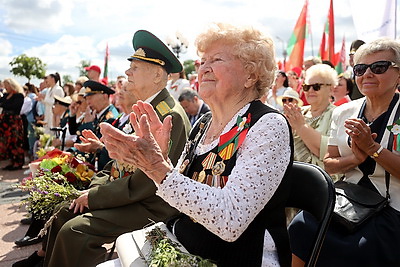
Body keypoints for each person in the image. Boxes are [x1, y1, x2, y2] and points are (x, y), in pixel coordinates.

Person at [101, 23, 293, 267]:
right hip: (185, 246)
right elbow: (178, 191)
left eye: (216, 59)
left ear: (251, 75)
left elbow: (230, 220)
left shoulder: (268, 125)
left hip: (240, 258)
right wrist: (159, 162)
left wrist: (157, 167)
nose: (204, 68)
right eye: (202, 61)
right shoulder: (203, 123)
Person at [13, 29, 191, 267]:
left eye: (135, 67)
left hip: (152, 204)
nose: (127, 71)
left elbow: (148, 181)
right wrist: (95, 187)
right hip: (131, 195)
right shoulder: (146, 108)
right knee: (64, 211)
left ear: (158, 75)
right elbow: (120, 162)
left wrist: (95, 196)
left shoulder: (168, 115)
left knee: (75, 231)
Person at [289, 38, 400, 267]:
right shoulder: (344, 113)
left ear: (398, 74)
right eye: (360, 68)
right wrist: (355, 158)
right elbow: (329, 163)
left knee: (362, 248)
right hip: (348, 201)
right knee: (300, 226)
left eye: (379, 67)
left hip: (392, 208)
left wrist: (373, 149)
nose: (367, 74)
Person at [284, 63, 337, 171]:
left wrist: (301, 127)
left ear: (331, 89)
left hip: (320, 180)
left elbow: (328, 151)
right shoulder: (299, 112)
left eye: (316, 87)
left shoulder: (338, 114)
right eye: (306, 87)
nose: (310, 91)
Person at [68, 80, 119, 171]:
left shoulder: (110, 117)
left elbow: (96, 144)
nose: (88, 102)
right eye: (86, 98)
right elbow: (75, 131)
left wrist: (88, 124)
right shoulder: (94, 114)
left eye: (91, 97)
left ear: (104, 96)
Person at [0, 78, 25, 170]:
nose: (5, 87)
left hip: (14, 121)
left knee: (15, 142)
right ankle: (11, 161)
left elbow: (14, 107)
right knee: (7, 142)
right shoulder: (6, 95)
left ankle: (17, 162)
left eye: (7, 85)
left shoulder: (19, 96)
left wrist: (4, 104)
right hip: (5, 122)